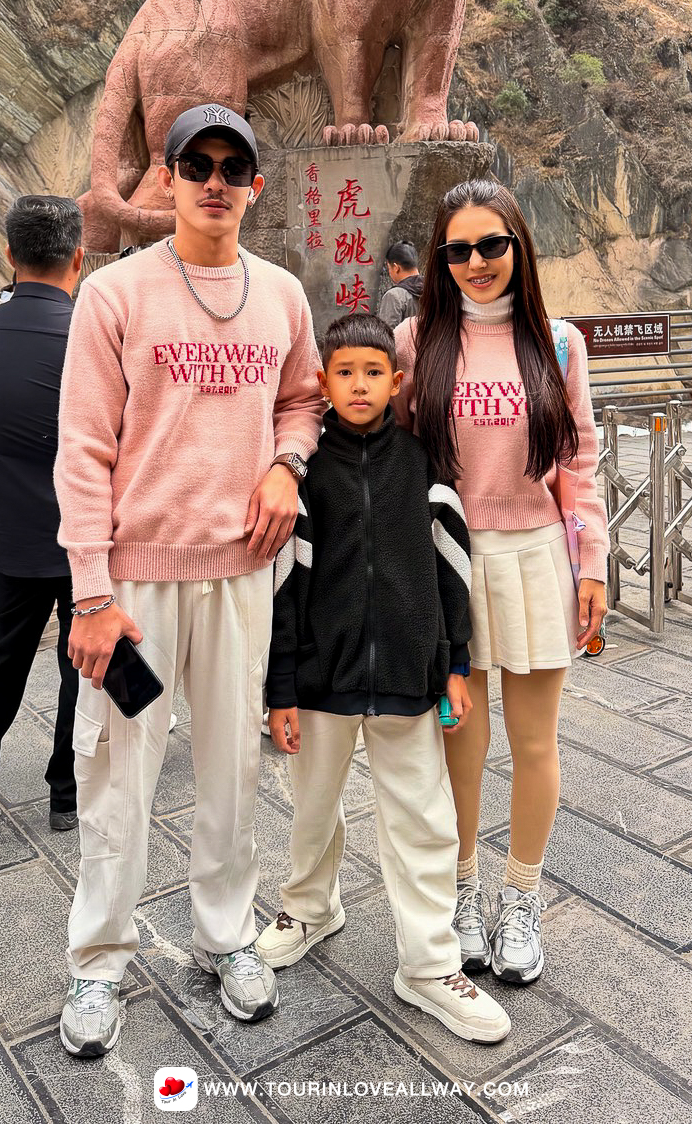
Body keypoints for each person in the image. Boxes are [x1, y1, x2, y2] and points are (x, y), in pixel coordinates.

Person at [54, 103, 323, 1056]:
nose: (215, 181)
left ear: (255, 185)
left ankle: (225, 933)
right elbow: (82, 450)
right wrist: (91, 594)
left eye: (232, 167)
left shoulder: (282, 294)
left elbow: (303, 399)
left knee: (233, 768)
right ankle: (98, 960)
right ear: (165, 179)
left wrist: (287, 464)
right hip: (138, 584)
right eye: (196, 164)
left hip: (241, 575)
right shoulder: (114, 294)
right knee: (116, 771)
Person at [258, 315, 510, 1043]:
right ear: (322, 382)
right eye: (345, 372)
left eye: (374, 371)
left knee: (424, 821)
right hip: (322, 679)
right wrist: (281, 688)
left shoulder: (422, 463)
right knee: (311, 808)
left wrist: (455, 665)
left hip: (408, 674)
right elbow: (286, 586)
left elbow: (453, 568)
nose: (360, 385)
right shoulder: (307, 475)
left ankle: (429, 964)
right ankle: (310, 907)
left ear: (396, 381)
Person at [395, 179, 607, 986]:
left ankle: (521, 897)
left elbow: (579, 460)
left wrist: (592, 563)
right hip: (449, 557)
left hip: (535, 555)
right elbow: (396, 451)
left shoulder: (558, 343)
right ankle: (460, 890)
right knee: (462, 738)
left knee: (533, 740)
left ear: (519, 245)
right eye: (459, 249)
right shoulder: (417, 340)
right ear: (440, 258)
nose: (476, 262)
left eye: (492, 244)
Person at [0, 197, 85, 829]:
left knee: (3, 651)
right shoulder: (87, 332)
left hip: (10, 532)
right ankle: (67, 793)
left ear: (9, 254)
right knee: (81, 663)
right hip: (84, 534)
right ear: (78, 258)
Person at [378, 240, 423, 329]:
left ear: (396, 267)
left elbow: (387, 333)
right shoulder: (434, 289)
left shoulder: (394, 296)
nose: (389, 272)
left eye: (389, 268)